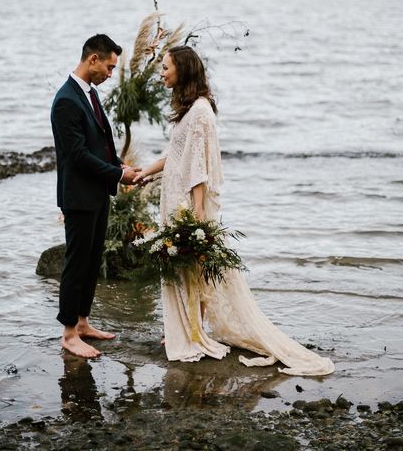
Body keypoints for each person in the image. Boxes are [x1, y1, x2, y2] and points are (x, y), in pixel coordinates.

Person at [134, 45, 334, 375]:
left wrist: (197, 215)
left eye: (166, 67)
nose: (162, 72)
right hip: (174, 200)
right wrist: (146, 172)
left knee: (193, 267)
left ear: (183, 69)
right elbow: (177, 154)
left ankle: (193, 334)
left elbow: (199, 169)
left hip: (187, 205)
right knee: (184, 269)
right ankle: (187, 331)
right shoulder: (189, 110)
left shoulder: (200, 111)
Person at [51, 34, 138, 359]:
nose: (110, 74)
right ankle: (69, 332)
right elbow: (77, 155)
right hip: (77, 196)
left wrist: (119, 165)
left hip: (98, 192)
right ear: (93, 60)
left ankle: (84, 322)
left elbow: (99, 146)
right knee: (76, 263)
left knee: (92, 260)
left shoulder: (90, 95)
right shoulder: (66, 100)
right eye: (109, 67)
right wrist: (118, 174)